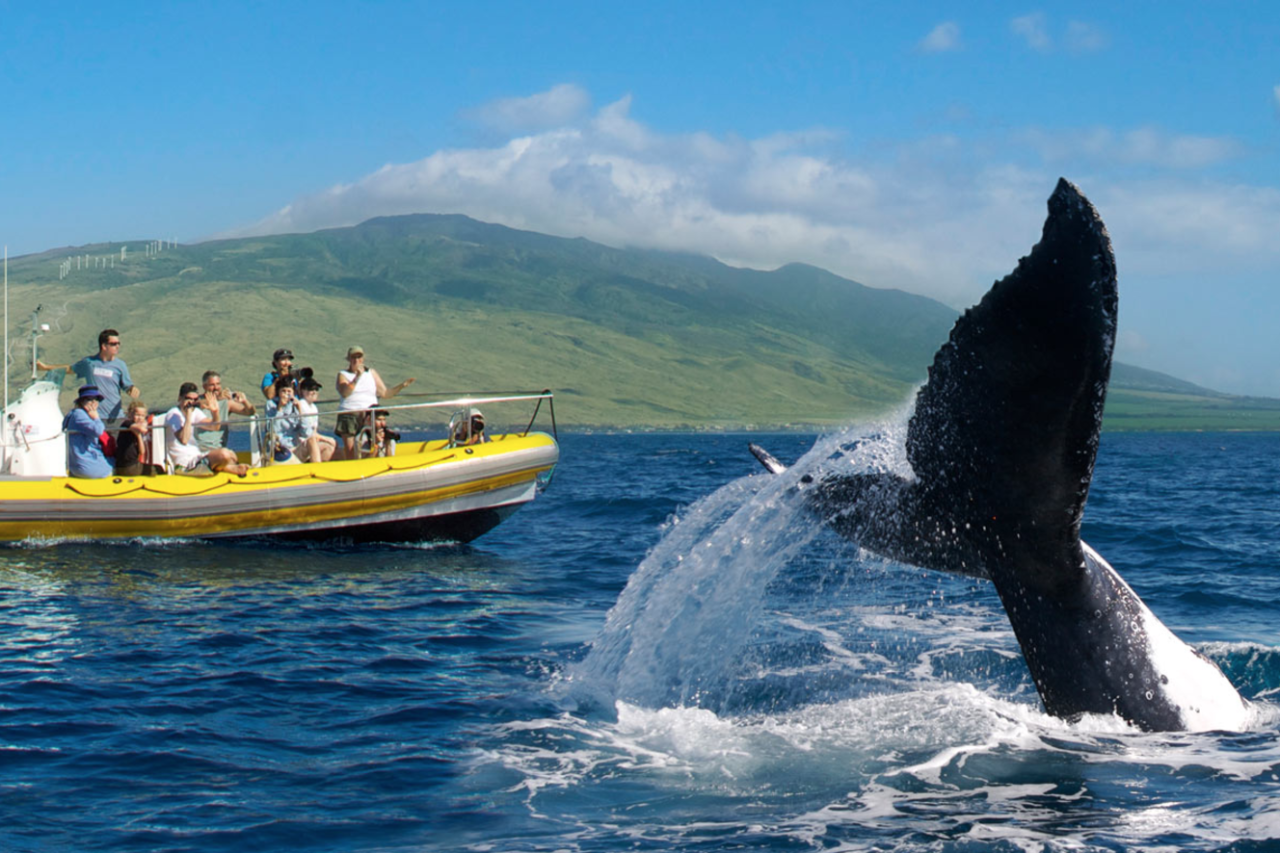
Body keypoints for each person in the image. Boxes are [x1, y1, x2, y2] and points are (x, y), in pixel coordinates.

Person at [39, 329, 139, 422]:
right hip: (95, 416)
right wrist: (45, 367)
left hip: (115, 417)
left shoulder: (120, 365)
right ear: (104, 346)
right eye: (113, 344)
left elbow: (127, 385)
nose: (117, 346)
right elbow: (70, 369)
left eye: (118, 343)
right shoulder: (89, 363)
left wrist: (132, 389)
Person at [334, 345, 415, 460]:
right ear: (349, 359)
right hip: (350, 414)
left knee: (374, 440)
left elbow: (385, 393)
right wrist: (357, 377)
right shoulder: (343, 374)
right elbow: (344, 392)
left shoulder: (371, 373)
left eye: (359, 357)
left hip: (370, 414)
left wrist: (401, 386)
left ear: (363, 358)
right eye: (353, 358)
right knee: (351, 449)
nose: (356, 360)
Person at [164, 382, 248, 476]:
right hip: (184, 463)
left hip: (197, 456)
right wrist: (188, 416)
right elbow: (184, 439)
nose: (191, 403)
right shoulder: (173, 415)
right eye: (188, 399)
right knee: (224, 454)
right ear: (180, 398)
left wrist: (215, 412)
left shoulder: (194, 412)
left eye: (195, 399)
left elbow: (214, 427)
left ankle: (230, 468)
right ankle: (231, 468)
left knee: (231, 454)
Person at [197, 370, 257, 453]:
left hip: (218, 447)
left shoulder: (226, 403)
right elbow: (196, 404)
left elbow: (250, 412)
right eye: (212, 385)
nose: (216, 387)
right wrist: (217, 399)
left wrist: (244, 401)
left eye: (218, 384)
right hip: (199, 448)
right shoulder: (197, 401)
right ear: (204, 386)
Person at [62, 385, 114, 478]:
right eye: (89, 399)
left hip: (77, 466)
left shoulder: (73, 414)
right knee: (116, 462)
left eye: (96, 399)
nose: (93, 402)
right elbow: (98, 431)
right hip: (88, 467)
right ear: (82, 401)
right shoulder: (79, 415)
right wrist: (96, 418)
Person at [115, 400, 163, 477]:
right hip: (127, 467)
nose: (140, 418)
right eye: (137, 415)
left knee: (157, 466)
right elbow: (142, 429)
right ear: (130, 414)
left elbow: (142, 451)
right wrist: (146, 423)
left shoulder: (137, 431)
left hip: (133, 465)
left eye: (142, 416)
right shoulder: (126, 424)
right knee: (158, 469)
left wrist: (138, 436)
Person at [264, 377, 306, 463]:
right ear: (278, 392)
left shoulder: (295, 405)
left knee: (314, 442)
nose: (286, 394)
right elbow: (273, 430)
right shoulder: (271, 405)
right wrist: (279, 409)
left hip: (294, 447)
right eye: (283, 391)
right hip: (279, 449)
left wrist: (300, 410)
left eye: (289, 391)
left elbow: (305, 432)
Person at [296, 377, 336, 463]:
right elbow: (306, 432)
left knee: (329, 446)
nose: (314, 392)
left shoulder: (313, 407)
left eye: (316, 389)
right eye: (311, 389)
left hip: (311, 439)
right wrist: (325, 439)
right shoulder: (301, 405)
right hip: (301, 444)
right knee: (327, 442)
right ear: (303, 391)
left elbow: (314, 431)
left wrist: (325, 439)